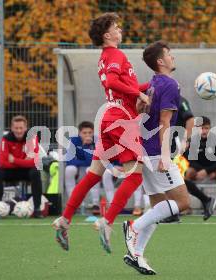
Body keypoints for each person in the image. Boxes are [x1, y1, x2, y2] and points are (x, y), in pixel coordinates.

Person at [51, 12, 150, 252]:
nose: (120, 30)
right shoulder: (115, 53)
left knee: (94, 173)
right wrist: (139, 94)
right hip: (120, 120)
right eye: (117, 27)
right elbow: (112, 83)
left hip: (109, 117)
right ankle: (107, 221)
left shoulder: (106, 56)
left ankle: (64, 220)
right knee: (135, 175)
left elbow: (123, 86)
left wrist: (151, 85)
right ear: (107, 35)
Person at [122, 40, 190, 275]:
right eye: (170, 55)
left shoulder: (153, 83)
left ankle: (137, 253)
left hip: (144, 147)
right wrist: (164, 156)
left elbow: (143, 112)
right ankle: (133, 226)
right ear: (161, 61)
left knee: (159, 206)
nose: (173, 58)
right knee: (183, 203)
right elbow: (164, 122)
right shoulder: (170, 84)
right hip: (155, 151)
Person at [0, 115, 43, 218]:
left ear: (25, 128)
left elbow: (34, 162)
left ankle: (37, 209)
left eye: (21, 128)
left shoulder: (32, 138)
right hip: (11, 171)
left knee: (36, 172)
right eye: (16, 128)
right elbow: (2, 163)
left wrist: (14, 160)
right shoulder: (5, 139)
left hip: (26, 171)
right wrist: (24, 161)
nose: (19, 131)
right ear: (11, 128)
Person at [65, 121, 115, 214]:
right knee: (69, 170)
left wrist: (87, 146)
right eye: (84, 133)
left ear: (93, 133)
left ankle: (95, 203)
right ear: (79, 133)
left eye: (90, 133)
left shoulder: (97, 141)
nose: (87, 135)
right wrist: (84, 147)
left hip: (91, 168)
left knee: (91, 170)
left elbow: (92, 161)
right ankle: (73, 204)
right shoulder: (73, 140)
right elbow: (68, 161)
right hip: (79, 167)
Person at [184, 116, 216, 218]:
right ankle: (186, 206)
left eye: (206, 128)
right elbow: (188, 160)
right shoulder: (191, 141)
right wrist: (201, 171)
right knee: (187, 172)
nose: (203, 131)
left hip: (214, 170)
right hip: (197, 170)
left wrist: (207, 171)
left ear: (210, 128)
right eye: (201, 128)